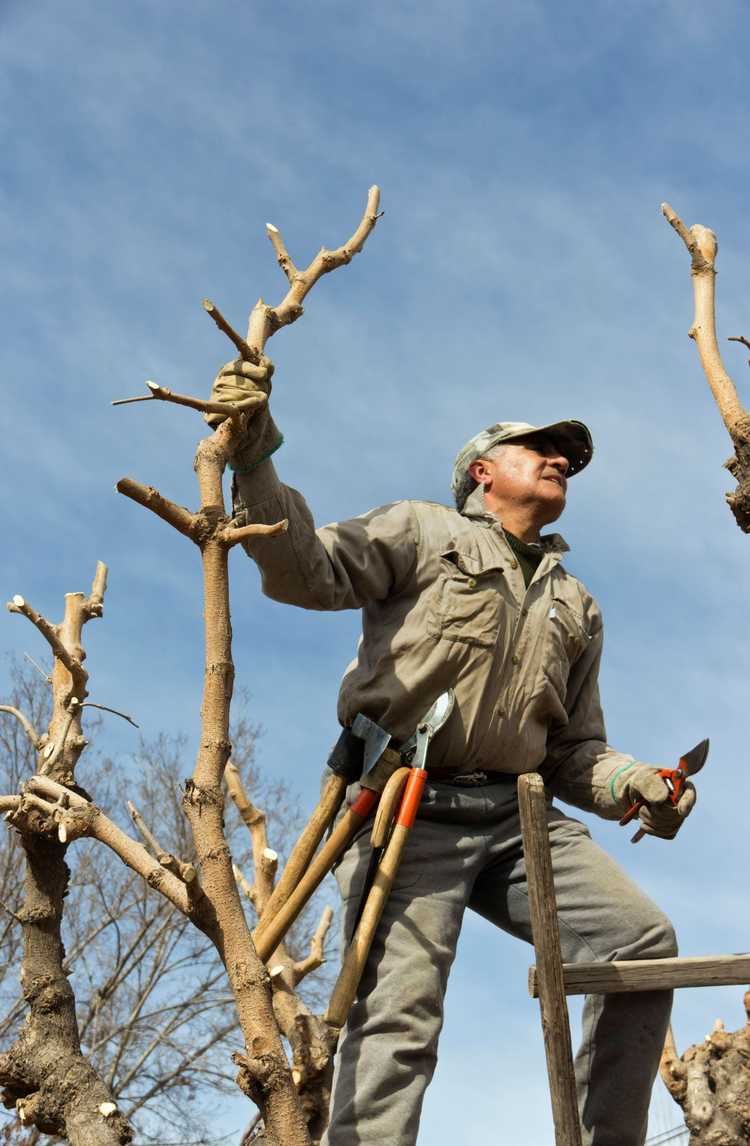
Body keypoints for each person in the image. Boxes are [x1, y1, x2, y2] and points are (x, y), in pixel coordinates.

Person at [209, 357, 696, 1146]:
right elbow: (308, 570)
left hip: (516, 816)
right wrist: (256, 455)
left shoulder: (576, 603)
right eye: (537, 447)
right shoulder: (420, 531)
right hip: (403, 807)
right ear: (481, 471)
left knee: (641, 943)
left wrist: (637, 784)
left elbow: (574, 750)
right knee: (399, 1019)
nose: (559, 459)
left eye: (565, 457)